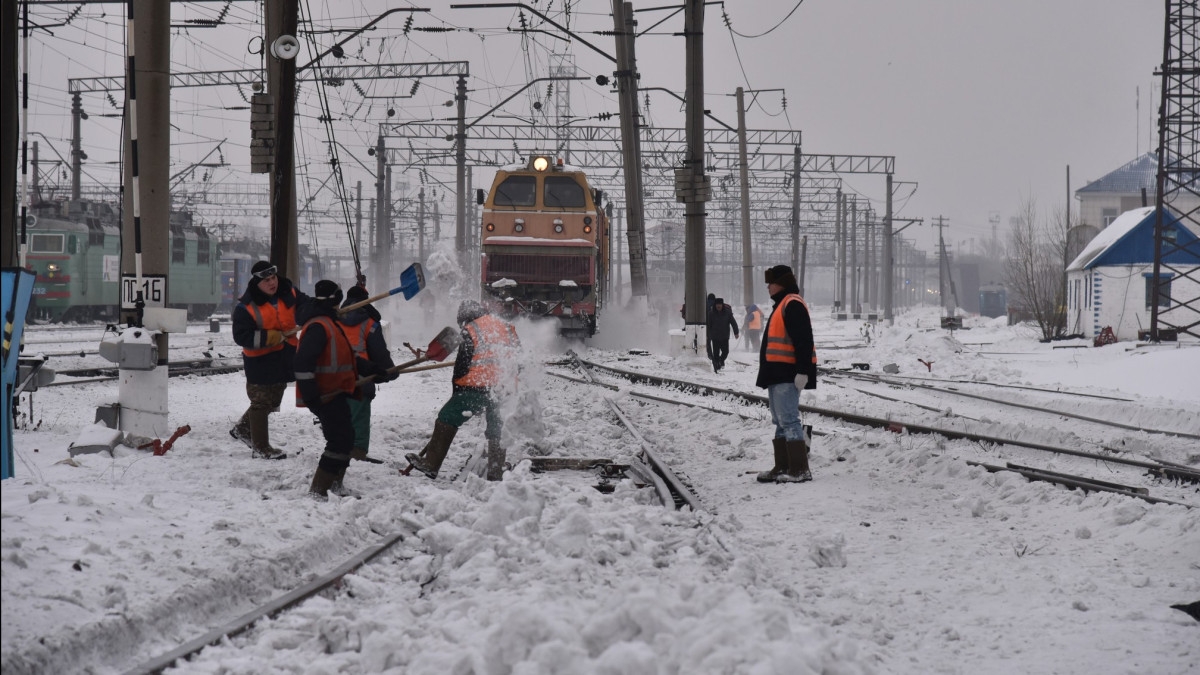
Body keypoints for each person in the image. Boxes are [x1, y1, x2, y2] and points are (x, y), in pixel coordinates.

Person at [406, 300, 520, 482]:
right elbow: (517, 356)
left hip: (477, 385)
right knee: (497, 428)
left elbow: (462, 366)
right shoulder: (506, 327)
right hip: (504, 386)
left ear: (466, 318)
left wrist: (457, 392)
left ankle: (431, 464)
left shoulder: (471, 329)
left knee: (447, 416)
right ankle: (495, 471)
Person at [295, 280, 386, 498]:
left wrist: (372, 368)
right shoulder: (318, 326)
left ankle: (335, 486)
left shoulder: (330, 323)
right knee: (338, 442)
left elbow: (348, 356)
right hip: (325, 394)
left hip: (339, 391)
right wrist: (312, 398)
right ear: (335, 299)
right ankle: (318, 490)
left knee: (346, 439)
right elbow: (302, 364)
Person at [229, 260, 308, 460]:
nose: (272, 283)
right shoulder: (245, 308)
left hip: (283, 357)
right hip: (260, 361)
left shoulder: (289, 291)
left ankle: (242, 430)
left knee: (273, 400)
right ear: (257, 283)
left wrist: (320, 310)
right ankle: (261, 447)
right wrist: (271, 337)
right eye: (266, 281)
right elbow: (241, 336)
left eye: (273, 278)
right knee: (261, 403)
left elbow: (306, 305)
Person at [755, 265, 817, 483]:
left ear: (780, 283)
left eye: (770, 284)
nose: (768, 288)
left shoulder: (792, 304)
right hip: (777, 373)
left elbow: (804, 340)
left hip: (788, 373)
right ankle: (782, 466)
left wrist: (803, 371)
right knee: (780, 421)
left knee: (789, 420)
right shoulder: (782, 304)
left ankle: (800, 469)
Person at [340, 285, 397, 463]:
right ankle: (356, 454)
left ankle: (341, 450)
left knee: (341, 416)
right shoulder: (369, 322)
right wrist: (389, 371)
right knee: (360, 417)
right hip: (361, 376)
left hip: (334, 376)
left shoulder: (336, 319)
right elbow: (379, 351)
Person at [705, 297, 739, 372]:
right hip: (715, 337)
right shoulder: (711, 313)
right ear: (715, 305)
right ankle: (717, 365)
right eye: (717, 304)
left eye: (720, 304)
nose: (718, 306)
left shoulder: (728, 313)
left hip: (724, 336)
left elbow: (733, 323)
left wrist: (736, 332)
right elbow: (708, 325)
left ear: (722, 305)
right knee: (716, 353)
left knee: (725, 352)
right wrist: (707, 335)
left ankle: (721, 360)